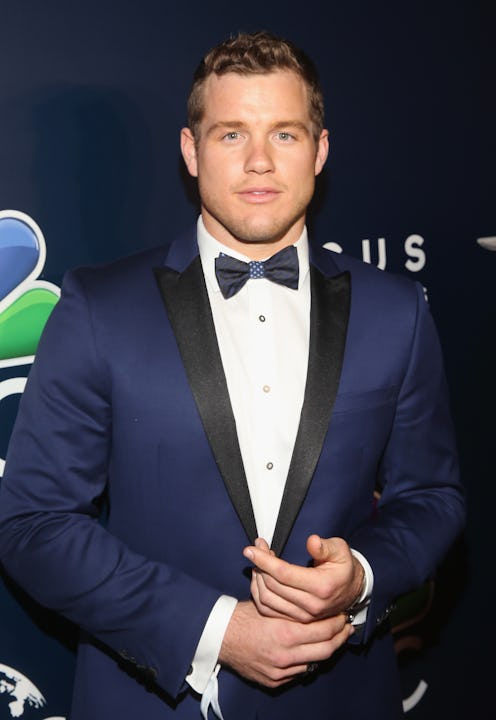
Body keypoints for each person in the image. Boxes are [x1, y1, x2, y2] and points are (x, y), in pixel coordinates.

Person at [0, 30, 465, 720]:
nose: (258, 161)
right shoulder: (100, 308)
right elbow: (33, 523)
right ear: (191, 152)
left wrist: (362, 576)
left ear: (320, 151)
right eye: (231, 134)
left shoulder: (395, 311)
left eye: (284, 134)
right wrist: (215, 629)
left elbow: (431, 497)